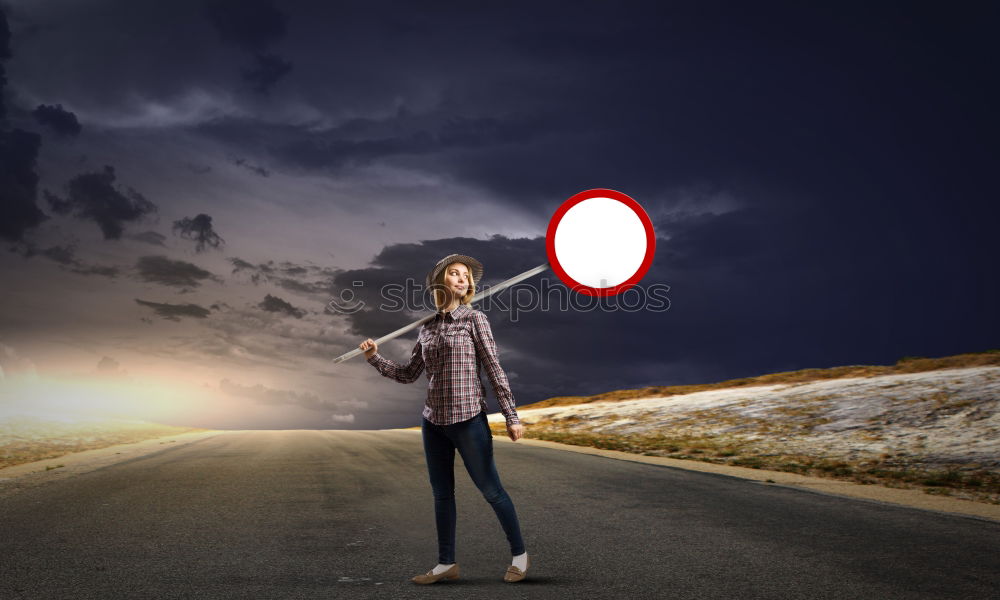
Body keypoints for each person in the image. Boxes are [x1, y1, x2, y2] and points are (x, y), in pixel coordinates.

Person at [358, 253, 530, 584]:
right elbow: (409, 374)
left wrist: (511, 415)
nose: (462, 278)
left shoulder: (474, 320)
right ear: (441, 282)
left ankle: (520, 556)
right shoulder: (426, 328)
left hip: (468, 419)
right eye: (454, 273)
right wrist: (373, 358)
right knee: (441, 494)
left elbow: (494, 368)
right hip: (433, 422)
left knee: (491, 490)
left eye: (466, 274)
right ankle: (446, 564)